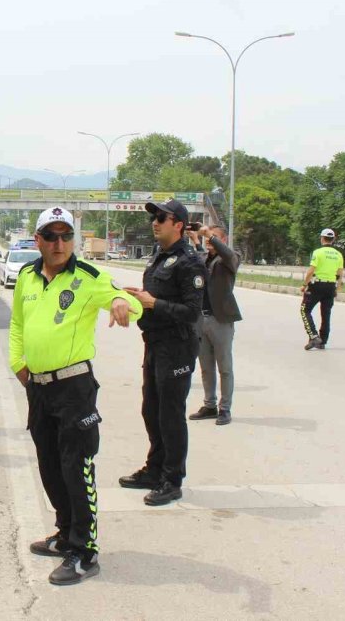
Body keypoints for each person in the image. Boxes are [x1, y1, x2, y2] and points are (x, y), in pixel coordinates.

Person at [9, 206, 141, 585]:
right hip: (38, 386)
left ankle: (84, 551)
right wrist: (19, 364)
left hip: (74, 388)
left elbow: (125, 300)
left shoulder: (89, 276)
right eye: (51, 236)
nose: (60, 243)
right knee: (49, 465)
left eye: (66, 235)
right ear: (38, 240)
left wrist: (120, 303)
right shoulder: (26, 277)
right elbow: (18, 324)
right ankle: (65, 534)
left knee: (76, 466)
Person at [120, 199, 205, 507]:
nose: (154, 222)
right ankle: (154, 469)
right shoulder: (160, 256)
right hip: (155, 343)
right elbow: (155, 295)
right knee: (151, 410)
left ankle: (172, 479)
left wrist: (153, 303)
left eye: (161, 217)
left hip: (177, 347)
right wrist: (138, 299)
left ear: (178, 225)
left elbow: (192, 312)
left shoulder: (189, 261)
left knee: (170, 414)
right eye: (153, 217)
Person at [187, 225, 241, 426]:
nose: (210, 240)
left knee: (224, 367)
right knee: (206, 367)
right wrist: (196, 239)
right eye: (209, 237)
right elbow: (199, 257)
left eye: (215, 237)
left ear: (223, 240)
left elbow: (228, 255)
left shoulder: (231, 258)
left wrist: (208, 233)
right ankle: (209, 405)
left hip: (221, 320)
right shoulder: (204, 258)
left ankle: (225, 408)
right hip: (201, 320)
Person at [301, 228, 344, 350]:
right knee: (326, 314)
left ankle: (314, 336)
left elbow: (311, 270)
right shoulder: (338, 255)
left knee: (305, 310)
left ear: (322, 238)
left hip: (317, 285)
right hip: (330, 286)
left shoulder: (318, 252)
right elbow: (340, 273)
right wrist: (337, 287)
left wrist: (304, 284)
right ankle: (322, 341)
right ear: (333, 239)